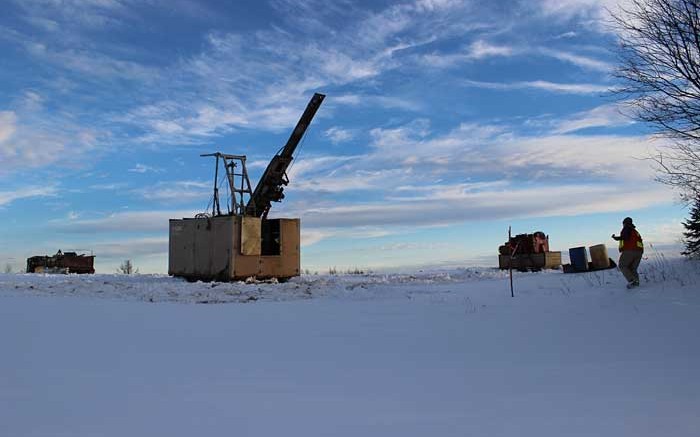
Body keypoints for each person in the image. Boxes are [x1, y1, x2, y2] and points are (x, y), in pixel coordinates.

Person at [611, 217, 644, 289]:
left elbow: (625, 237)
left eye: (623, 223)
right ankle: (636, 284)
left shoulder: (626, 228)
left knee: (622, 265)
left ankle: (632, 281)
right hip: (639, 252)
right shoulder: (635, 231)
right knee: (632, 268)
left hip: (630, 251)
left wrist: (616, 238)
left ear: (625, 223)